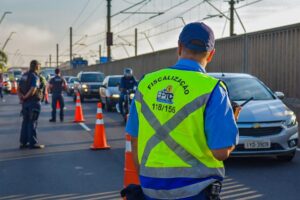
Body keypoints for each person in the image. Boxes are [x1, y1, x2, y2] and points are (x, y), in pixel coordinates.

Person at [125, 22, 239, 200]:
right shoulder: (213, 89)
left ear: (179, 47)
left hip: (150, 188)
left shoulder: (146, 83)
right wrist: (232, 124)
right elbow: (221, 152)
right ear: (211, 54)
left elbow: (134, 140)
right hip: (195, 190)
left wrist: (146, 181)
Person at [18, 60, 45, 149]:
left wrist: (22, 98)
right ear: (37, 66)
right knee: (32, 122)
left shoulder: (24, 76)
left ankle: (23, 142)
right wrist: (26, 97)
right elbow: (33, 89)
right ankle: (33, 143)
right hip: (33, 102)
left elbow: (18, 89)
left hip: (25, 104)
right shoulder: (35, 76)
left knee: (25, 122)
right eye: (39, 66)